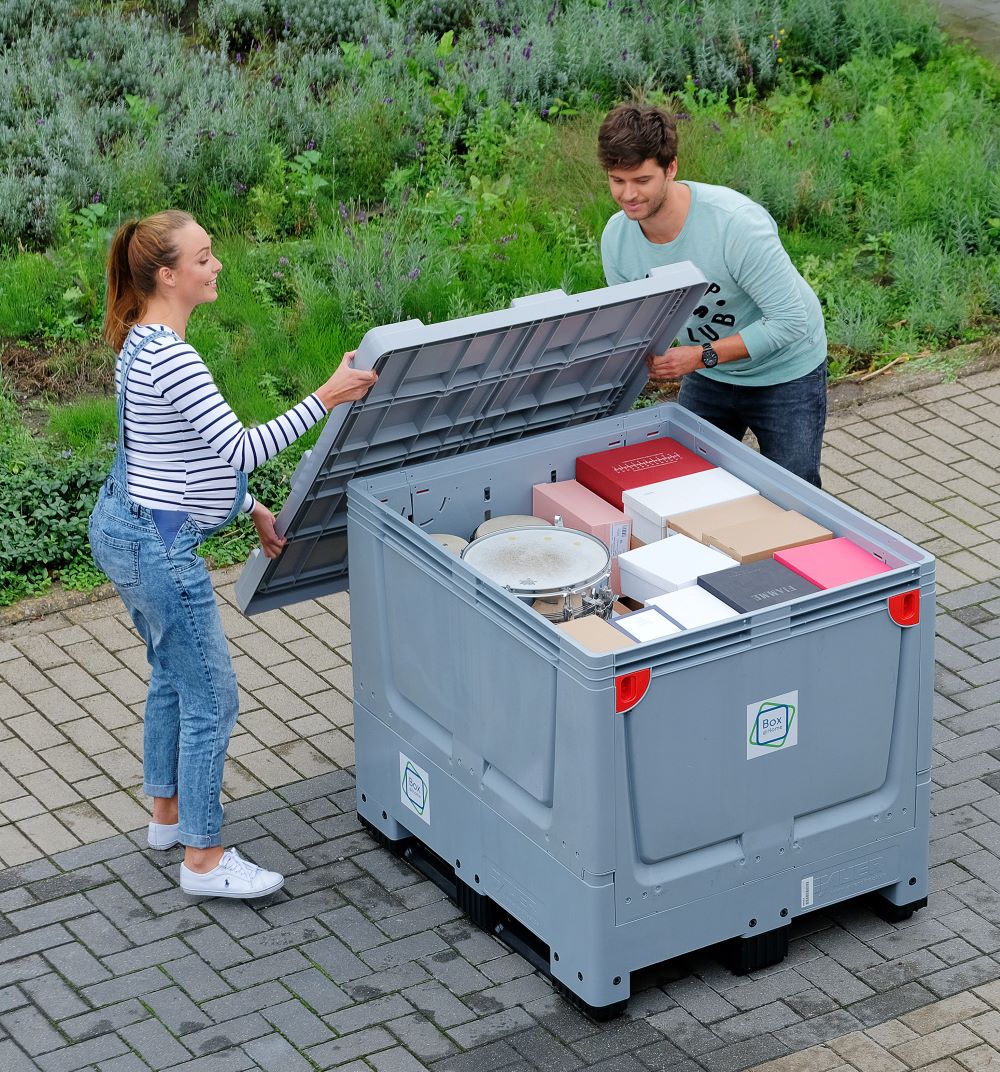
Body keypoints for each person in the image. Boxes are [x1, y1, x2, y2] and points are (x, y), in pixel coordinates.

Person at [89, 210, 377, 899]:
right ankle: (204, 860)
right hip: (159, 550)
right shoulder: (171, 354)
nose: (217, 266)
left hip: (123, 526)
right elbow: (240, 448)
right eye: (204, 257)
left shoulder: (139, 340)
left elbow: (172, 457)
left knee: (171, 673)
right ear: (168, 276)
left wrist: (248, 508)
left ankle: (168, 816)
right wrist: (327, 399)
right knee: (213, 698)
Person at [597, 103, 828, 487]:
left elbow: (790, 322)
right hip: (709, 372)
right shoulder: (617, 239)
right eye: (617, 181)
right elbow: (635, 327)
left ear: (671, 168)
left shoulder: (735, 226)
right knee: (686, 486)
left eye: (641, 180)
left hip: (786, 372)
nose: (628, 194)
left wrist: (699, 356)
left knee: (795, 495)